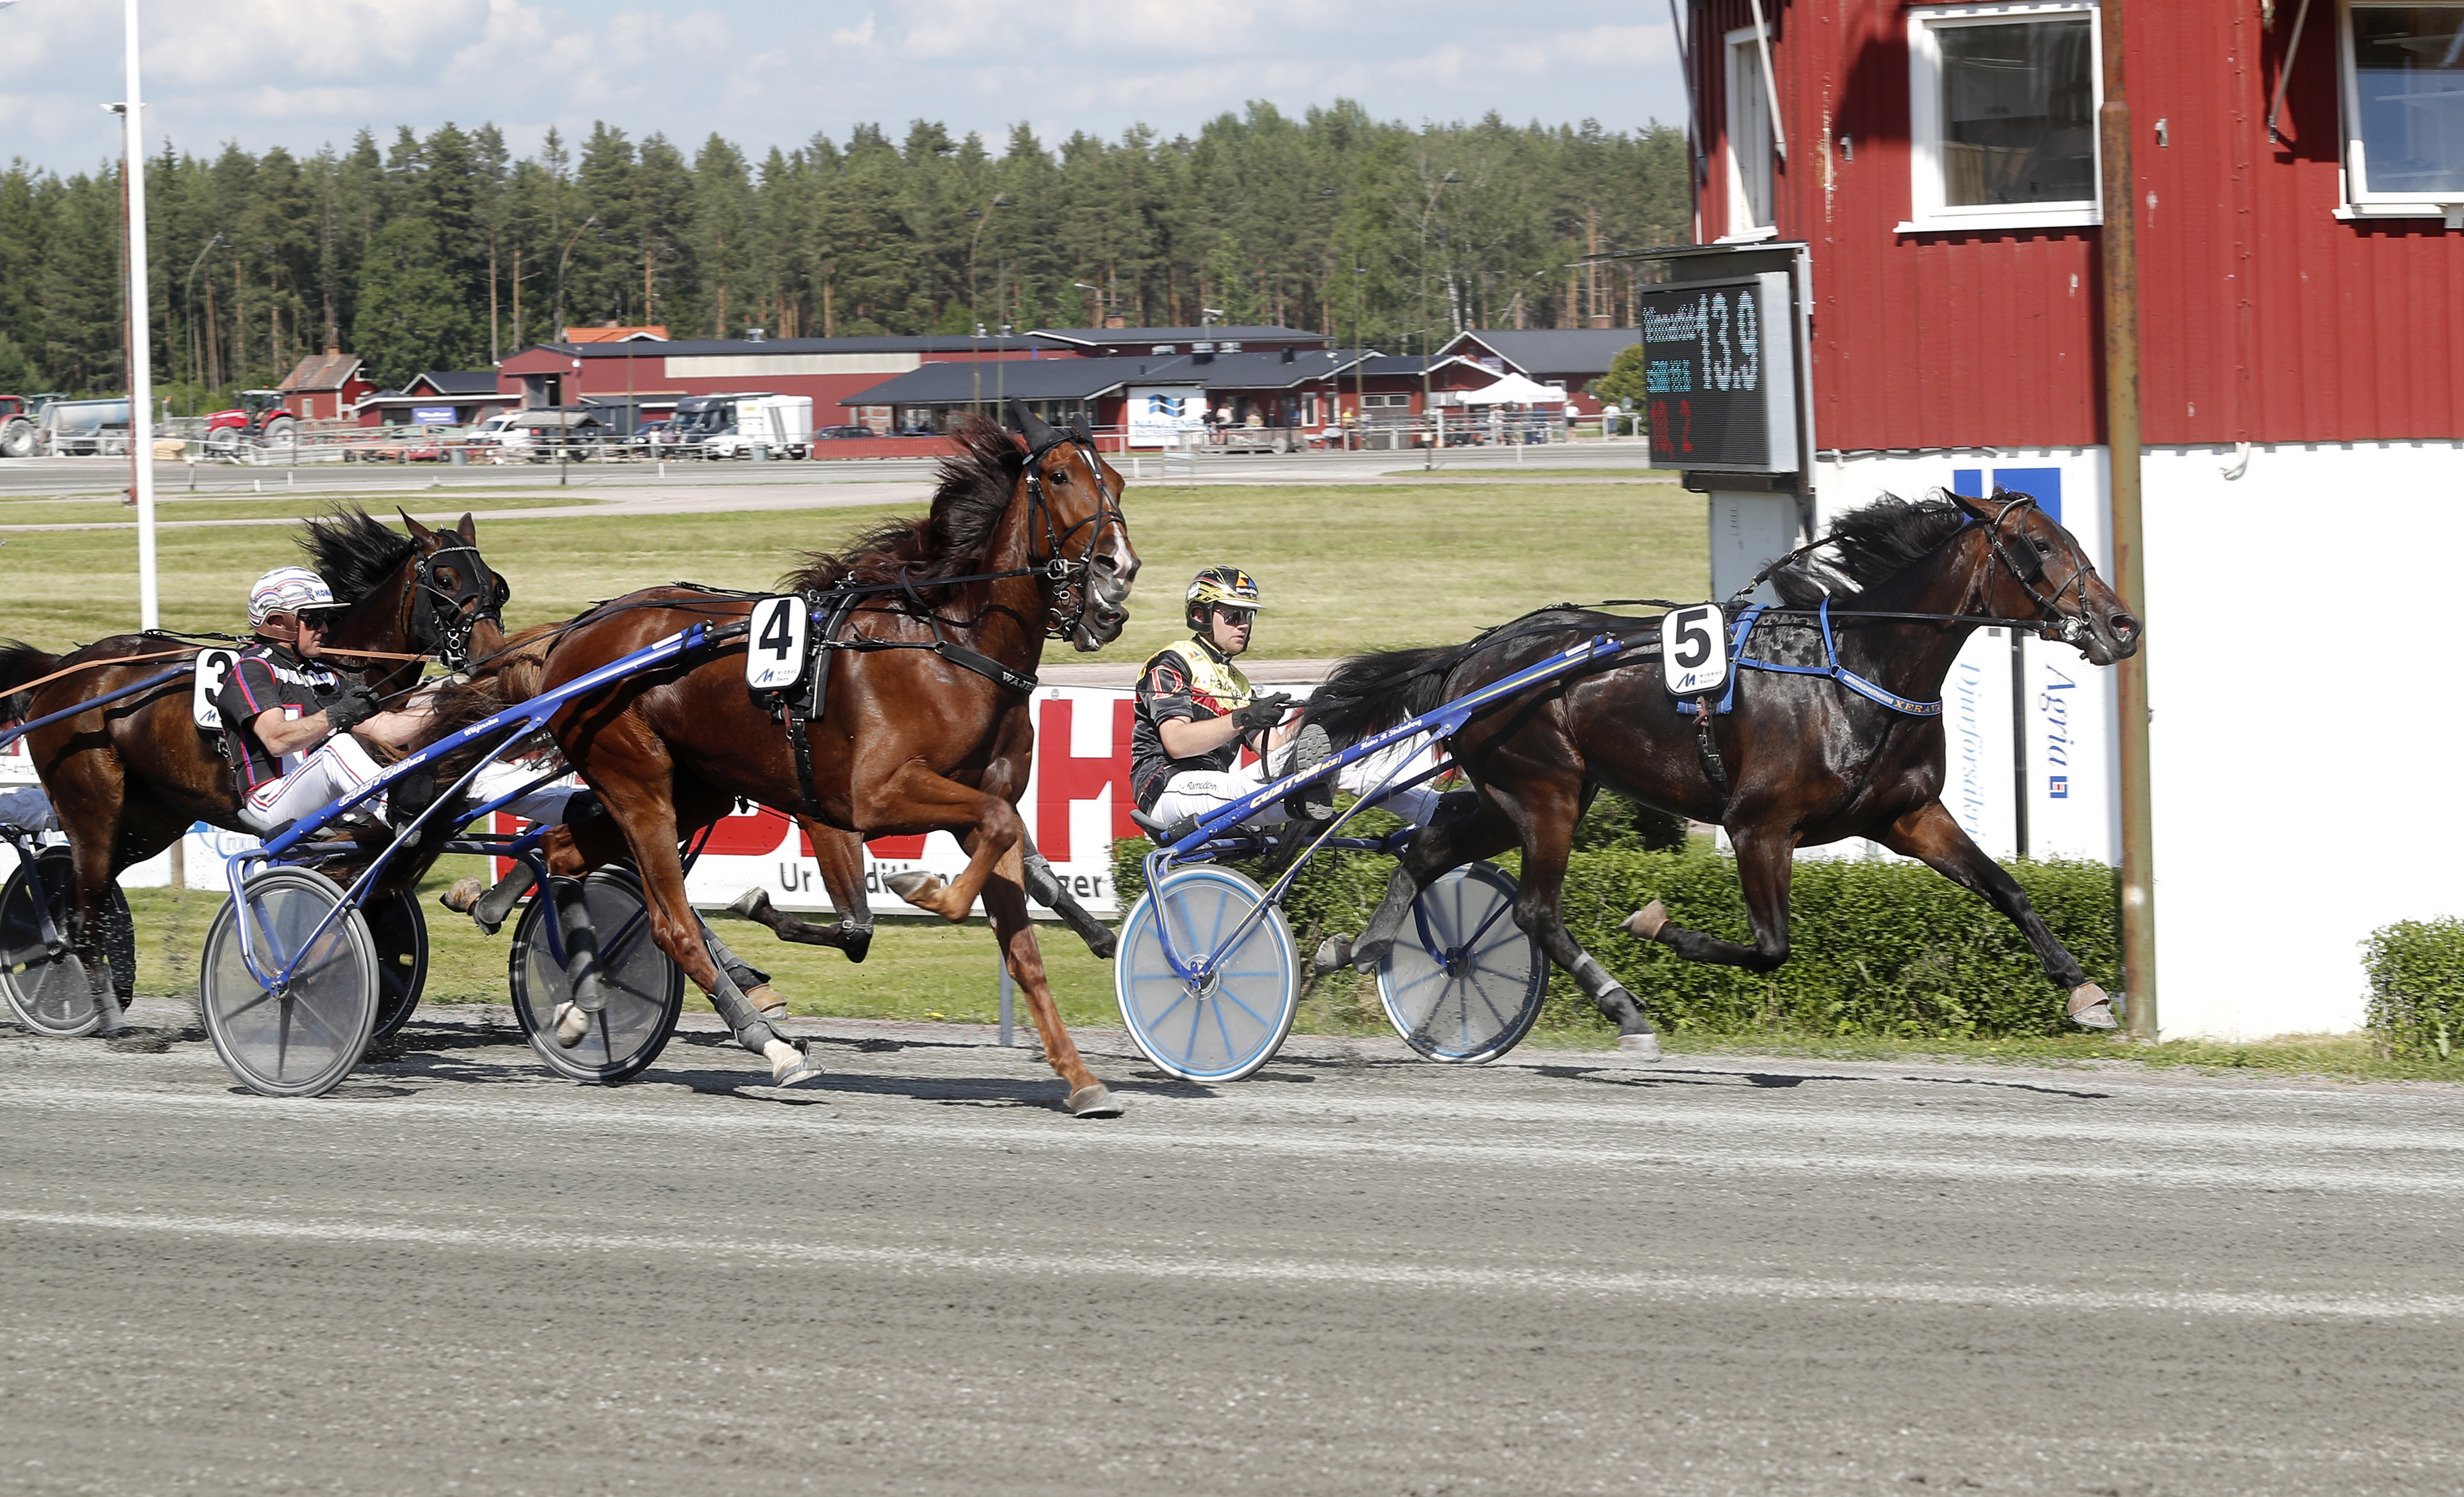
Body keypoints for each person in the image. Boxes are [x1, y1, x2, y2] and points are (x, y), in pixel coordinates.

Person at [216, 567, 433, 834]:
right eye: (314, 619)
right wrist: (335, 715)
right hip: (271, 799)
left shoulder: (324, 674)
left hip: (324, 793)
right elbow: (276, 740)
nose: (325, 628)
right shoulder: (253, 670)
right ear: (277, 622)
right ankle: (398, 811)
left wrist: (446, 704)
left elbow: (385, 730)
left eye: (326, 618)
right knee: (338, 747)